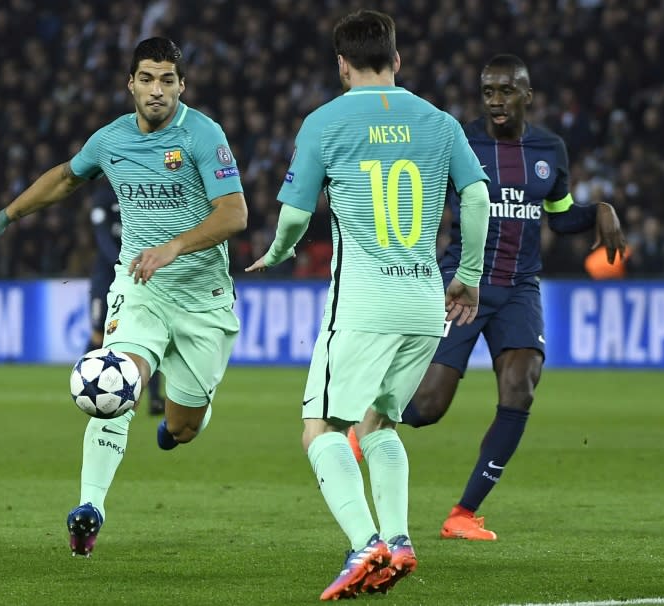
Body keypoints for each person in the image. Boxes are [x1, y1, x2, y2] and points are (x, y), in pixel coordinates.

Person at [0, 37, 247, 557]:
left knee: (184, 427)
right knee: (115, 380)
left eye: (167, 80)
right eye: (146, 79)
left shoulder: (204, 135)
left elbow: (234, 213)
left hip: (203, 299)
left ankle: (179, 425)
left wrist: (174, 246)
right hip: (140, 289)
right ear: (130, 84)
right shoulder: (111, 139)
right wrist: (3, 218)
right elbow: (65, 179)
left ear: (182, 85)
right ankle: (89, 508)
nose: (156, 90)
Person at [246, 10, 489, 600]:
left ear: (341, 64)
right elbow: (478, 196)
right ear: (397, 60)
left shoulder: (325, 121)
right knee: (381, 422)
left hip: (363, 302)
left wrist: (278, 252)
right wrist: (470, 276)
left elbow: (298, 215)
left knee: (320, 428)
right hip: (423, 301)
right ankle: (400, 542)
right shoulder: (439, 121)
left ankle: (365, 545)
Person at [350, 54, 626, 541]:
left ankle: (463, 514)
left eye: (505, 91)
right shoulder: (458, 141)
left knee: (521, 388)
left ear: (527, 96)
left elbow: (559, 216)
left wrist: (599, 210)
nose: (496, 101)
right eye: (488, 92)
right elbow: (417, 201)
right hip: (464, 284)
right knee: (427, 408)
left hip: (520, 289)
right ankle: (364, 423)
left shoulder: (549, 149)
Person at [86, 184, 165, 415]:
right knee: (99, 335)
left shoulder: (140, 191)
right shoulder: (103, 195)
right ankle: (90, 388)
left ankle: (155, 398)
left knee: (147, 334)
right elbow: (102, 237)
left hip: (136, 272)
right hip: (109, 274)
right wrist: (123, 262)